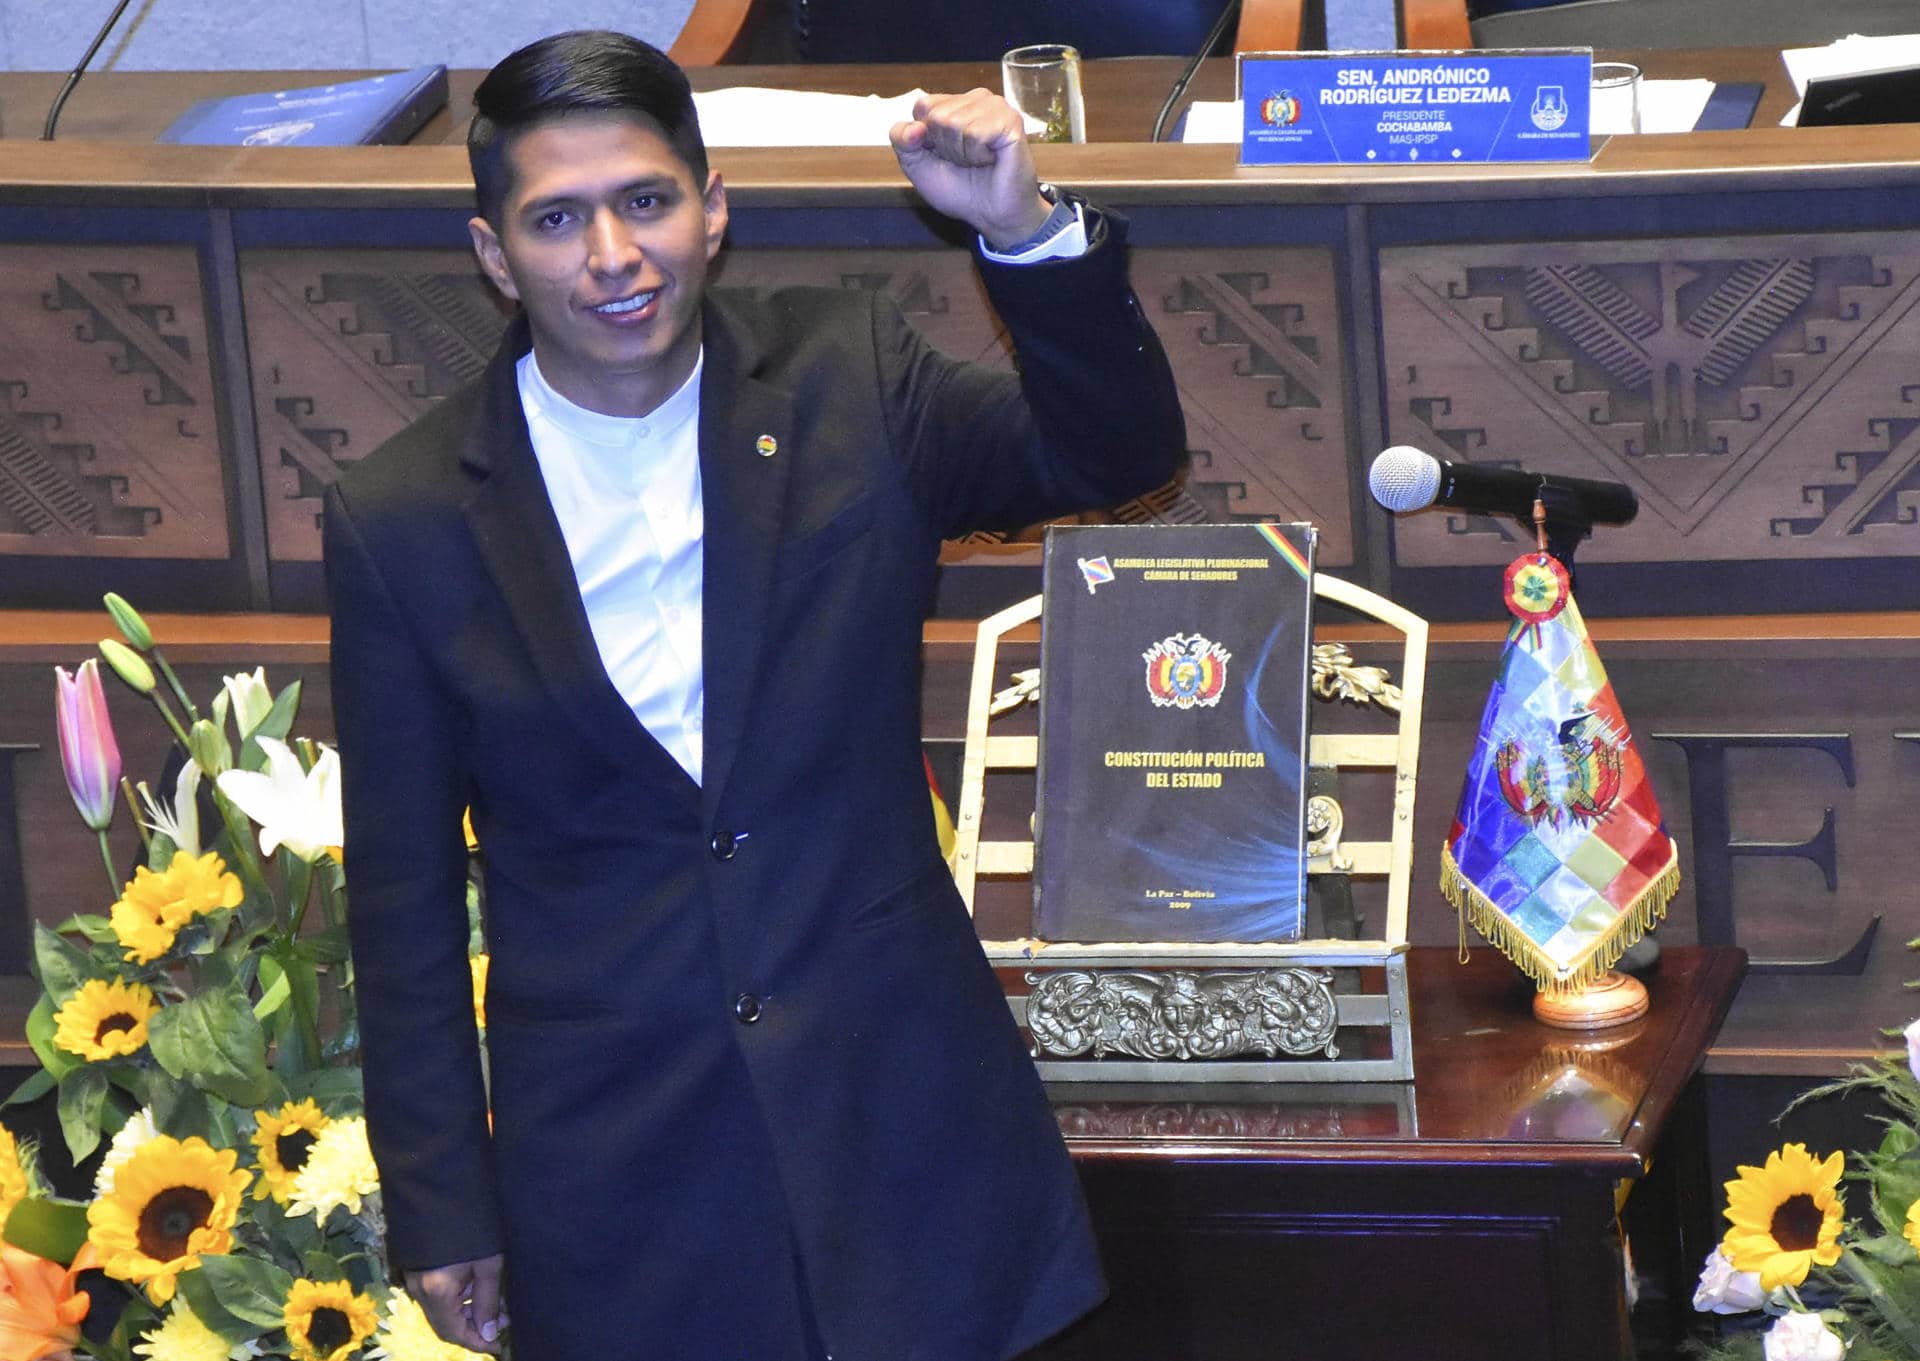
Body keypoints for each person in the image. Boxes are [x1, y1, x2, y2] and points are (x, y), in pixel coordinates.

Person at [323, 28, 1184, 1361]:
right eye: (558, 219)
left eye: (647, 200)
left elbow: (1115, 452)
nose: (614, 255)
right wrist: (441, 1204)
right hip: (623, 1176)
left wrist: (1022, 231)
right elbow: (404, 896)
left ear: (712, 210)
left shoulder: (853, 378)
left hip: (905, 1129)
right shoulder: (403, 516)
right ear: (495, 255)